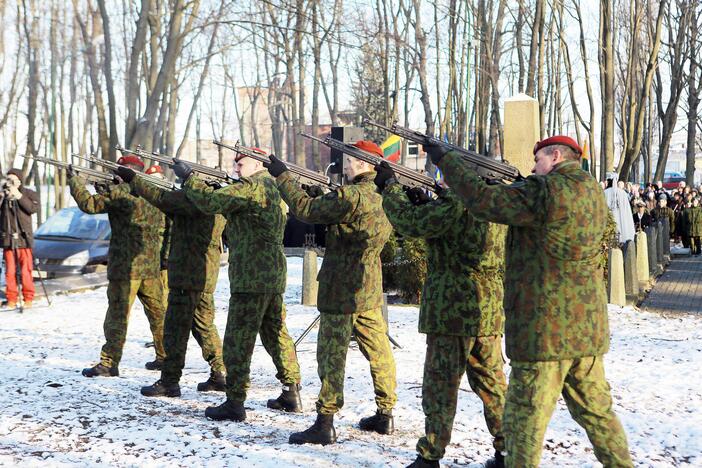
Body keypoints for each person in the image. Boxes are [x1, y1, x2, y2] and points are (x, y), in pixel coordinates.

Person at [427, 135, 633, 467]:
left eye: (537, 160)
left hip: (545, 334)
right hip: (586, 332)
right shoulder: (592, 190)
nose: (532, 167)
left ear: (555, 156)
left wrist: (446, 160)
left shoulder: (545, 192)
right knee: (598, 415)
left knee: (523, 424)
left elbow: (481, 201)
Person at [375, 163, 507, 468]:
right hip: (486, 306)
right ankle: (507, 450)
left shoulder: (458, 202)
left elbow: (409, 223)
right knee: (491, 381)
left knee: (440, 383)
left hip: (453, 307)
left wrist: (392, 188)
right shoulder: (494, 201)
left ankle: (430, 454)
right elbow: (448, 231)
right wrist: (425, 203)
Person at [266, 141, 396, 446]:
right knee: (379, 351)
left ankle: (325, 421)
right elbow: (335, 213)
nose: (346, 165)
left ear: (364, 164)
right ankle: (386, 412)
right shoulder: (383, 196)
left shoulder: (351, 195)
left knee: (331, 355)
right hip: (369, 286)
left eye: (350, 160)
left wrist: (283, 176)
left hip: (341, 287)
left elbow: (306, 210)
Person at [175, 150, 301, 422]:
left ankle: (235, 401)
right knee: (276, 333)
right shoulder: (273, 187)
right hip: (272, 274)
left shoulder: (251, 187)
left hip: (251, 276)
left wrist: (190, 178)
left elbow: (208, 202)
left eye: (241, 163)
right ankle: (291, 390)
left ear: (257, 165)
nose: (236, 166)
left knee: (237, 341)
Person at [113, 167, 228, 397]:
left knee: (175, 329)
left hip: (187, 274)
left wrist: (134, 179)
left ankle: (169, 381)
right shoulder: (219, 202)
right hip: (205, 275)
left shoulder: (195, 201)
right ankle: (220, 373)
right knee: (204, 326)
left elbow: (161, 198)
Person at [68, 155, 167, 377]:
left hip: (126, 267)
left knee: (118, 314)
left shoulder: (121, 193)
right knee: (158, 313)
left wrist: (75, 181)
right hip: (150, 264)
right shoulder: (153, 192)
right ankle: (165, 356)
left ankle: (109, 362)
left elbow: (90, 204)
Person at [0, 169, 39, 309]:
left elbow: (32, 209)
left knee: (25, 270)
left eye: (13, 180)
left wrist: (18, 195)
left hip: (24, 238)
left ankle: (28, 298)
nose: (10, 183)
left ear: (20, 181)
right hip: (8, 239)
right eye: (8, 180)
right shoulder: (3, 195)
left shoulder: (28, 194)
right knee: (9, 271)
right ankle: (11, 299)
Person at [604, 172, 636, 244]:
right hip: (622, 222)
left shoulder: (605, 193)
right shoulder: (623, 193)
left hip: (609, 221)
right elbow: (627, 211)